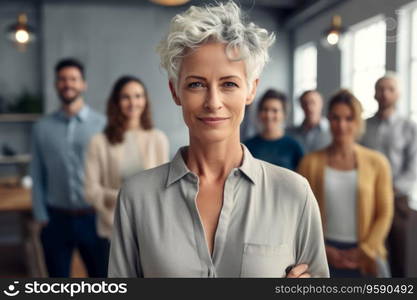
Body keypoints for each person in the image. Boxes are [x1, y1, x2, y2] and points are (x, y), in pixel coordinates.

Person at [108, 1, 329, 278]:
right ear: (175, 91)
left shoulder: (295, 193)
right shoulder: (137, 197)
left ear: (251, 89)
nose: (213, 102)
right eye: (196, 84)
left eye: (229, 84)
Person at [298, 89, 394, 277]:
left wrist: (365, 249)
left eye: (349, 118)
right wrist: (323, 249)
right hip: (322, 254)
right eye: (335, 118)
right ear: (328, 120)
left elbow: (385, 213)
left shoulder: (377, 163)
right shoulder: (310, 163)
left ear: (358, 121)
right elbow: (299, 214)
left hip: (366, 256)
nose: (341, 125)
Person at [30, 58, 109, 277]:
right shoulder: (41, 128)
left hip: (94, 218)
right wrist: (40, 215)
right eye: (62, 79)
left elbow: (110, 172)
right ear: (56, 84)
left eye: (73, 79)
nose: (68, 84)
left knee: (102, 279)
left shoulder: (103, 125)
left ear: (83, 84)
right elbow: (37, 173)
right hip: (56, 219)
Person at [84, 75, 169, 240]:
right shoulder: (99, 142)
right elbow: (90, 191)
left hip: (152, 228)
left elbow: (165, 187)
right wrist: (126, 197)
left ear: (145, 100)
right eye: (125, 97)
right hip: (113, 227)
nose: (133, 103)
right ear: (116, 102)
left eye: (138, 96)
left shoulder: (158, 138)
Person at [361, 73, 417, 277]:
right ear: (374, 94)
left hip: (398, 202)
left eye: (390, 89)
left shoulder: (409, 127)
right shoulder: (363, 126)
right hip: (367, 200)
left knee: (401, 259)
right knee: (370, 255)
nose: (385, 93)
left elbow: (413, 167)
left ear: (398, 94)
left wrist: (390, 190)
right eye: (380, 89)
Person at [244, 89, 304, 171]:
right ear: (259, 113)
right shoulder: (248, 146)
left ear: (284, 114)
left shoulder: (294, 146)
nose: (269, 115)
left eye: (274, 110)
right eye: (265, 109)